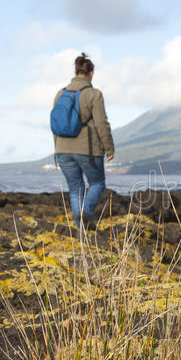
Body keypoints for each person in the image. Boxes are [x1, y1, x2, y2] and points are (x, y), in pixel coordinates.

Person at [53, 53, 114, 229]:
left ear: (75, 71)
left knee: (75, 189)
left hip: (62, 150)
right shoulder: (94, 94)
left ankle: (82, 231)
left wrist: (57, 149)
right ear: (91, 73)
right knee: (97, 183)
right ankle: (86, 213)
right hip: (88, 150)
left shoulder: (60, 94)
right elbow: (102, 123)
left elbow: (55, 125)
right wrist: (109, 148)